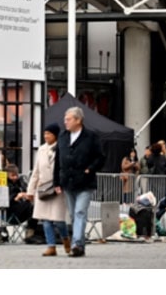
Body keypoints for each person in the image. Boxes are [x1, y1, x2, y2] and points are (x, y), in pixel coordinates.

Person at [52, 107, 105, 257]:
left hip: (85, 182)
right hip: (67, 181)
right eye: (65, 119)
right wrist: (56, 182)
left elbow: (100, 157)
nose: (65, 122)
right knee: (74, 215)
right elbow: (57, 161)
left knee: (80, 211)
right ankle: (80, 246)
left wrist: (90, 169)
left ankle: (75, 243)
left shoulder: (91, 137)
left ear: (78, 120)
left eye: (68, 119)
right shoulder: (62, 136)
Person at [18, 123, 69, 257]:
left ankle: (65, 238)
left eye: (49, 134)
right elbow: (35, 171)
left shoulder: (63, 148)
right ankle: (51, 246)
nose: (46, 136)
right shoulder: (41, 150)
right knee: (45, 219)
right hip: (43, 188)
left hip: (57, 189)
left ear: (56, 135)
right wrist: (30, 191)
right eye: (45, 133)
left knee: (59, 220)